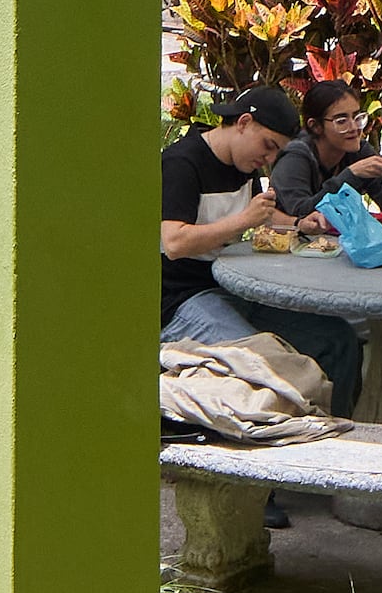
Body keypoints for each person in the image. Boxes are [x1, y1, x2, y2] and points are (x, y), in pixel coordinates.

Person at [154, 87, 361, 401]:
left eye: (276, 152)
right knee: (265, 362)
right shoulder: (181, 163)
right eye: (268, 146)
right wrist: (244, 221)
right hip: (180, 299)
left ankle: (341, 433)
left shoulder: (242, 163)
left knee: (339, 340)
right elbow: (174, 241)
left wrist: (298, 224)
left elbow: (259, 213)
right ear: (243, 123)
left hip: (233, 287)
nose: (269, 159)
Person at [263, 80, 382, 227]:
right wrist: (350, 176)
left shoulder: (358, 151)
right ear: (315, 126)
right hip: (287, 244)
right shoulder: (294, 157)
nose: (354, 127)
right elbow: (303, 214)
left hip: (338, 244)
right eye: (341, 121)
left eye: (357, 117)